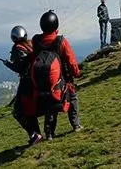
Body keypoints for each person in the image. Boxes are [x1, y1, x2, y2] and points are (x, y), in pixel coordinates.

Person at [31, 10, 83, 140]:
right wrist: (76, 73)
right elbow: (71, 61)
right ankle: (76, 125)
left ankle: (49, 133)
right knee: (72, 98)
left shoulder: (37, 41)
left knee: (50, 104)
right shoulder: (61, 41)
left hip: (43, 82)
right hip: (62, 79)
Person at [4, 25, 42, 146]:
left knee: (18, 111)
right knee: (29, 110)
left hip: (26, 83)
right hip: (38, 80)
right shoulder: (32, 44)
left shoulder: (18, 49)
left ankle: (34, 134)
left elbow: (20, 69)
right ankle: (37, 135)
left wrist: (8, 64)